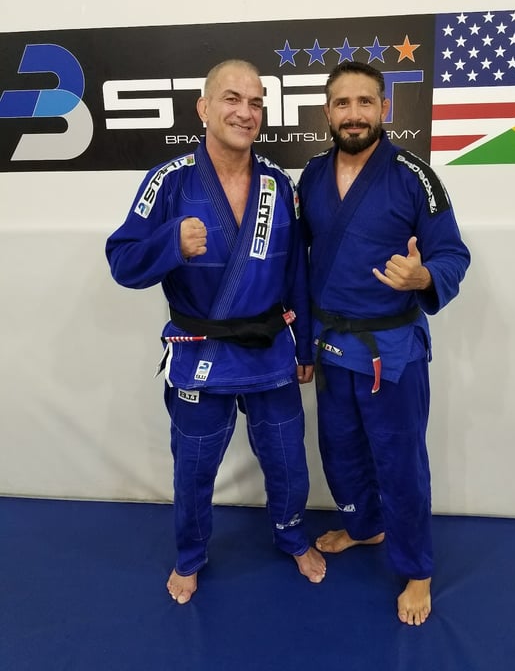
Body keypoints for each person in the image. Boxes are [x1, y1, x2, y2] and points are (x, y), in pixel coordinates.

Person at [106, 59, 326, 604]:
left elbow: (296, 272)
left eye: (256, 103)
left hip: (269, 347)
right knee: (195, 467)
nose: (245, 113)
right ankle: (190, 556)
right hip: (200, 349)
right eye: (232, 99)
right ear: (204, 107)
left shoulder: (278, 184)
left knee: (287, 458)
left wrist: (303, 344)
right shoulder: (169, 181)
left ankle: (292, 536)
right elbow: (122, 260)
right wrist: (170, 245)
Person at [297, 61, 470, 626]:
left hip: (390, 352)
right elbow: (299, 262)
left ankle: (417, 569)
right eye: (342, 103)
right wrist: (301, 342)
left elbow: (452, 253)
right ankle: (365, 526)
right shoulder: (312, 176)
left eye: (365, 102)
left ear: (384, 109)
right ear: (328, 112)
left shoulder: (415, 176)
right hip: (331, 345)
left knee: (399, 462)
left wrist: (425, 277)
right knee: (340, 450)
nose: (354, 114)